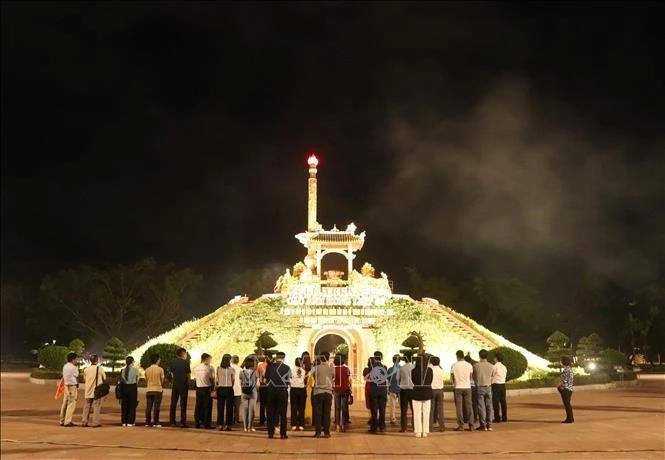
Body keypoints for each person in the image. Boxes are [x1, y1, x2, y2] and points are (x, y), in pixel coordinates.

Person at [265, 351, 291, 439]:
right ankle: (283, 434)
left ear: (276, 358)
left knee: (270, 412)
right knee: (283, 413)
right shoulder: (287, 368)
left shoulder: (269, 366)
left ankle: (270, 433)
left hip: (271, 391)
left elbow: (266, 379)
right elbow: (289, 380)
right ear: (283, 358)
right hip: (282, 391)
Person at [312, 351, 333, 438]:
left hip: (318, 392)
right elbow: (333, 377)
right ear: (328, 358)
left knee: (318, 413)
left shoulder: (315, 368)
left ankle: (318, 432)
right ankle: (327, 432)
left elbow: (313, 376)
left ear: (320, 358)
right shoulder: (332, 368)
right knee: (327, 413)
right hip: (328, 392)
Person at [451, 350, 474, 431]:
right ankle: (471, 425)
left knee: (459, 407)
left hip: (458, 387)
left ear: (457, 356)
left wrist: (453, 385)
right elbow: (471, 377)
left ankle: (461, 425)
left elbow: (452, 377)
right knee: (469, 406)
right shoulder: (469, 365)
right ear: (463, 356)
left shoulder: (454, 365)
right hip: (467, 387)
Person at [411, 355, 433, 438]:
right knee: (426, 413)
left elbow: (413, 381)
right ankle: (425, 432)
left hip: (416, 392)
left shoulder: (413, 370)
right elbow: (431, 380)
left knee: (417, 413)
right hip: (427, 392)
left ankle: (418, 431)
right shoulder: (429, 370)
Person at [82, 354, 106, 427]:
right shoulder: (100, 369)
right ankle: (95, 422)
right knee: (96, 406)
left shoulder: (86, 370)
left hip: (88, 390)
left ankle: (84, 421)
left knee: (86, 406)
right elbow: (104, 378)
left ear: (90, 361)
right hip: (97, 391)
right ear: (97, 360)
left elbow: (84, 379)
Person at [473, 349, 494, 431]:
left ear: (479, 356)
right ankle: (489, 425)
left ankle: (483, 425)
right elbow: (492, 376)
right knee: (489, 406)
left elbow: (474, 377)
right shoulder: (491, 366)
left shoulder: (476, 365)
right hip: (488, 387)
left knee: (481, 406)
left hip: (480, 387)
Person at [169, 348, 191, 428]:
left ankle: (172, 421)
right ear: (183, 354)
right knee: (183, 404)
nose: (186, 355)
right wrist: (188, 383)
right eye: (185, 354)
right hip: (183, 385)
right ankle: (182, 422)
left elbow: (171, 374)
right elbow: (188, 375)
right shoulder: (185, 363)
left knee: (173, 403)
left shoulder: (172, 362)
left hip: (175, 385)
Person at [368, 352, 388, 434]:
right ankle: (382, 427)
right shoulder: (385, 367)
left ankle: (374, 428)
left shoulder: (371, 367)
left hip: (374, 390)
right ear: (381, 357)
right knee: (382, 409)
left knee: (374, 410)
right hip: (383, 390)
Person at [194, 353, 214, 429]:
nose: (210, 361)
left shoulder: (196, 368)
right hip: (206, 388)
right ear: (206, 359)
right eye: (209, 360)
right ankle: (206, 424)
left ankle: (197, 422)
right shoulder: (208, 368)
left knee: (198, 406)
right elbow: (211, 378)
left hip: (198, 388)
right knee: (207, 407)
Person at [216, 354, 235, 431]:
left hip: (220, 389)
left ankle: (220, 425)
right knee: (229, 408)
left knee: (220, 408)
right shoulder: (231, 369)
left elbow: (217, 380)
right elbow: (233, 380)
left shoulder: (218, 368)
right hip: (229, 389)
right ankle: (228, 425)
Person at [239, 355, 259, 432]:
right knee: (252, 410)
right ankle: (250, 427)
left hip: (244, 392)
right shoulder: (255, 372)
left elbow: (240, 382)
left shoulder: (242, 372)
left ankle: (245, 427)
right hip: (253, 392)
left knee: (244, 409)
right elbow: (257, 384)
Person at [59, 352, 79, 427]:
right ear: (73, 359)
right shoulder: (73, 367)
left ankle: (62, 420)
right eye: (76, 359)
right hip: (72, 387)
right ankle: (67, 421)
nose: (76, 361)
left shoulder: (65, 366)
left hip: (66, 386)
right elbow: (77, 376)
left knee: (65, 403)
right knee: (71, 404)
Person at [145, 353, 165, 427]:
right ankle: (156, 422)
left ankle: (147, 422)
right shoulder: (160, 369)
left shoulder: (147, 369)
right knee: (156, 407)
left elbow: (146, 380)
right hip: (158, 389)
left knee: (148, 407)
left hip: (149, 389)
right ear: (157, 360)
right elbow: (162, 379)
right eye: (159, 359)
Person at [396, 355, 414, 433]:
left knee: (403, 410)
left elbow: (397, 378)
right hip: (413, 390)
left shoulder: (401, 368)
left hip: (404, 391)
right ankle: (415, 426)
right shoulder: (414, 367)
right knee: (414, 410)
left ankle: (404, 428)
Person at [333, 354, 351, 432]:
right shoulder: (347, 369)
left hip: (337, 390)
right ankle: (343, 424)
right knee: (344, 408)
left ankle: (337, 425)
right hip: (345, 390)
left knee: (337, 408)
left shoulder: (334, 369)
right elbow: (349, 380)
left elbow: (332, 379)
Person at [120, 356, 139, 427]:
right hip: (132, 388)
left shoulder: (122, 370)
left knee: (124, 405)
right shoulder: (135, 370)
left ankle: (124, 421)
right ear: (132, 362)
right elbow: (137, 380)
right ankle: (130, 421)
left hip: (124, 388)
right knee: (132, 405)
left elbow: (121, 380)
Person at [290, 357, 307, 431]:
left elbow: (289, 379)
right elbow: (304, 380)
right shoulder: (303, 371)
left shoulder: (291, 370)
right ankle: (301, 424)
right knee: (301, 408)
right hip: (302, 390)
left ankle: (293, 424)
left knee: (294, 407)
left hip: (294, 389)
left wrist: (291, 384)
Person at [429, 356, 445, 432]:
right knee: (440, 409)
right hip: (440, 390)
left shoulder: (430, 370)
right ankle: (442, 426)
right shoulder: (441, 370)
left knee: (431, 409)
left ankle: (430, 427)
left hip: (432, 390)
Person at [491, 351, 508, 423]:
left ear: (496, 358)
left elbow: (492, 375)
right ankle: (504, 417)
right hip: (503, 385)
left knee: (496, 402)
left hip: (496, 385)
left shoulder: (494, 367)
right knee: (503, 401)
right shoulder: (504, 367)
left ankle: (497, 417)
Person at [558, 356, 575, 423]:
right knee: (568, 404)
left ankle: (570, 419)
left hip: (566, 389)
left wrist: (560, 386)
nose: (560, 362)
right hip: (570, 389)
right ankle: (570, 418)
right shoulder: (570, 369)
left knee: (567, 405)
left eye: (561, 360)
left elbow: (564, 380)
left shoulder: (565, 370)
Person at [464, 354, 479, 426]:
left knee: (467, 403)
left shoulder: (465, 367)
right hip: (474, 387)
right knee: (474, 403)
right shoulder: (474, 367)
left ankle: (467, 418)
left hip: (468, 386)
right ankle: (475, 417)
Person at [257, 354, 271, 425]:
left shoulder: (259, 366)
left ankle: (261, 420)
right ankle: (269, 419)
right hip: (269, 386)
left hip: (262, 386)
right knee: (269, 404)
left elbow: (258, 375)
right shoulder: (271, 366)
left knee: (262, 404)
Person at [387, 354, 400, 426]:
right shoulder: (402, 369)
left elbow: (388, 380)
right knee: (402, 406)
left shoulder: (390, 369)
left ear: (393, 360)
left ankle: (392, 419)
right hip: (401, 389)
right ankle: (403, 418)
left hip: (392, 388)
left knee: (392, 405)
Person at [301, 351, 314, 426]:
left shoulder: (301, 367)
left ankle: (303, 418)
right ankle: (309, 418)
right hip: (310, 387)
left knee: (303, 403)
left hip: (302, 387)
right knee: (309, 403)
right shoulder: (312, 367)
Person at [231, 355, 242, 425]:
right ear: (238, 361)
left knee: (230, 405)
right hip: (238, 389)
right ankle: (236, 419)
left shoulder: (229, 368)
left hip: (230, 388)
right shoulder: (240, 369)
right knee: (237, 406)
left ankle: (230, 418)